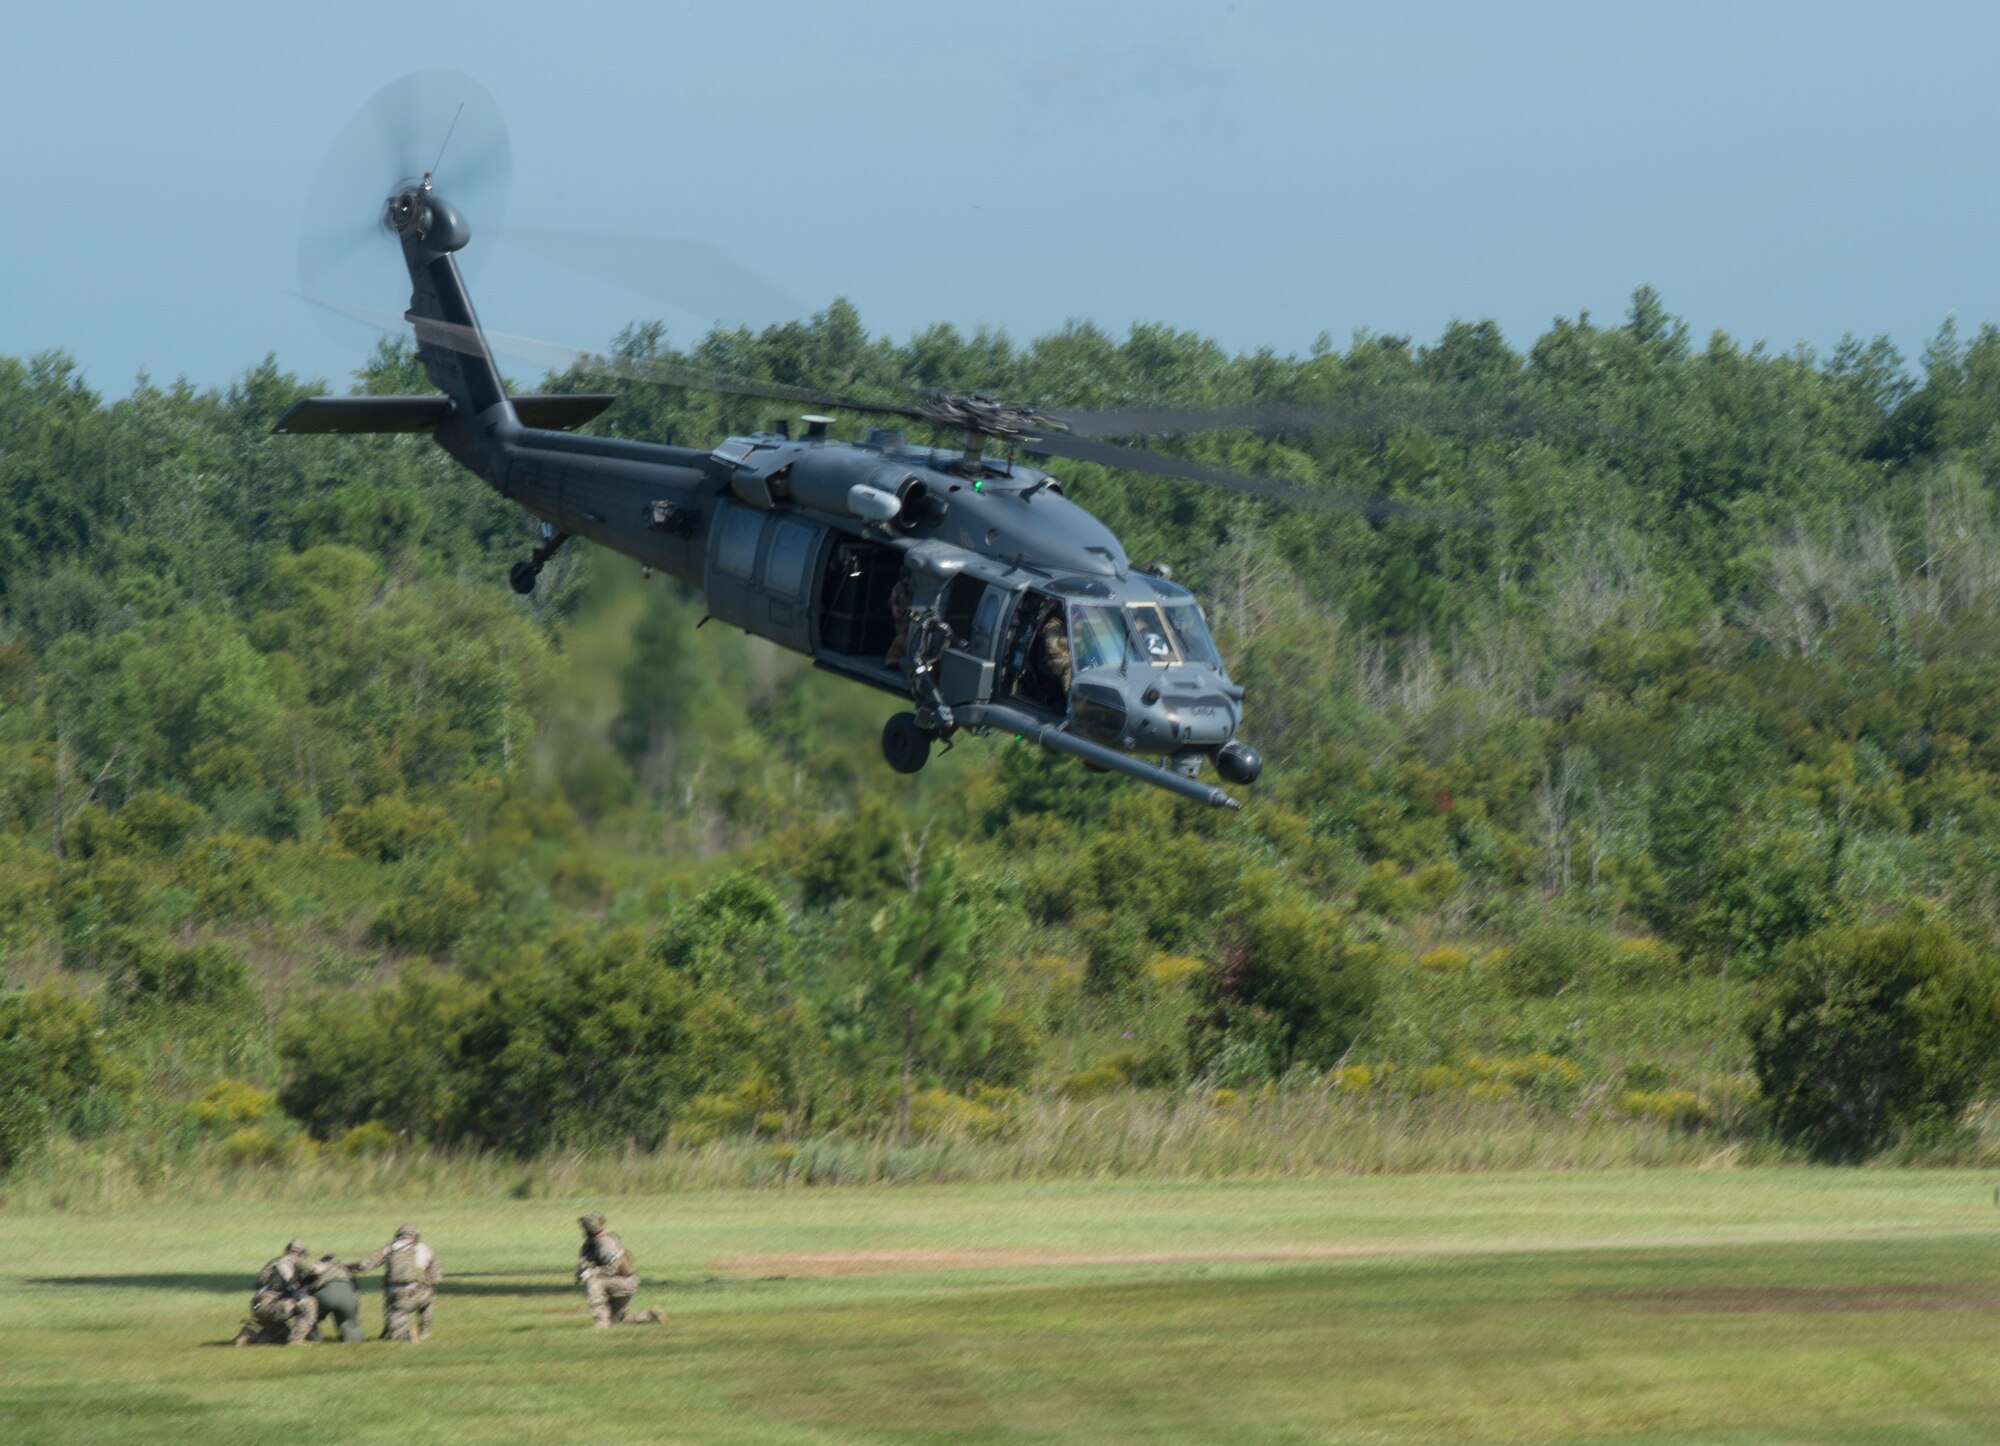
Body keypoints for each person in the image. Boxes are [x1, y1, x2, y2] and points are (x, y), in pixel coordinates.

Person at [350, 1223, 441, 1342]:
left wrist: (346, 1267)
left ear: (398, 1235)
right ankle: (425, 1330)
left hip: (398, 1297)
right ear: (416, 1237)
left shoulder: (389, 1248)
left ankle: (405, 1334)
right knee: (429, 1297)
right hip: (422, 1294)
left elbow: (365, 1266)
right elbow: (437, 1277)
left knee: (397, 1337)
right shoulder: (425, 1248)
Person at [576, 1211, 662, 1328]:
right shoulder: (594, 1242)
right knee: (615, 1320)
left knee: (593, 1282)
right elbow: (587, 1259)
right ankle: (649, 1316)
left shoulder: (604, 1243)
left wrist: (591, 1272)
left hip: (623, 1281)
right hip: (624, 1281)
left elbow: (612, 1269)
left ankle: (601, 1322)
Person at [232, 1239, 318, 1346]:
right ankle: (296, 1340)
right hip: (276, 1305)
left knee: (282, 1335)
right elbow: (313, 1274)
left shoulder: (273, 1263)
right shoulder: (295, 1262)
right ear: (302, 1253)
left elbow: (258, 1283)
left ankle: (248, 1334)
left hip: (258, 1306)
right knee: (309, 1303)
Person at [300, 1254, 363, 1343]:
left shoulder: (320, 1268)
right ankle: (353, 1340)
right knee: (348, 1322)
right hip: (347, 1296)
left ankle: (312, 1337)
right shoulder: (345, 1269)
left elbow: (306, 1289)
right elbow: (356, 1292)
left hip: (326, 1294)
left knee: (307, 1312)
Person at [883, 578, 913, 668]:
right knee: (901, 639)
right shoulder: (900, 587)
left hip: (912, 615)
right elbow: (894, 603)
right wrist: (897, 608)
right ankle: (892, 659)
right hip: (903, 618)